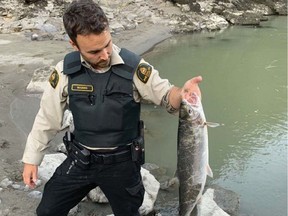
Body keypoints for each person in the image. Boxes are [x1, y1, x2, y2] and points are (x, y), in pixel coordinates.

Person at [22, 0, 202, 215]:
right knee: (47, 211)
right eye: (95, 51)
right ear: (74, 44)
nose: (105, 55)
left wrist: (182, 94)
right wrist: (31, 160)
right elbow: (47, 119)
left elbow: (166, 95)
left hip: (123, 165)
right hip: (80, 160)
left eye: (107, 44)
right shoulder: (64, 72)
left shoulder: (135, 67)